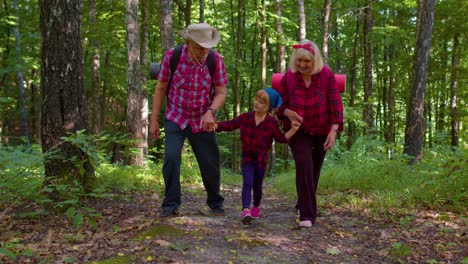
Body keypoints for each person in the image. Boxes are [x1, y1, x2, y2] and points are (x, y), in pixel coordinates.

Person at [149, 23, 228, 218]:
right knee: (171, 159)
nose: (203, 51)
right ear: (188, 43)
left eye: (206, 47)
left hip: (202, 119)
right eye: (199, 47)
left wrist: (211, 111)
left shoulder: (215, 60)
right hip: (176, 116)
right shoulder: (172, 56)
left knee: (210, 162)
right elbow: (160, 89)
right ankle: (170, 205)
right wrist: (154, 119)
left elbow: (221, 92)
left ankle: (215, 202)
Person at [273, 40, 344, 228]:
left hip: (322, 129)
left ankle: (302, 201)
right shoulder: (289, 77)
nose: (302, 65)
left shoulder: (326, 75)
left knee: (314, 170)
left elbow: (335, 103)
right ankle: (307, 214)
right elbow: (280, 104)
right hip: (297, 129)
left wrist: (333, 131)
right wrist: (287, 113)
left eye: (307, 62)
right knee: (304, 165)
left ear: (315, 61)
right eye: (299, 61)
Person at [211, 88, 301, 224]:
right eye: (256, 99)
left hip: (261, 160)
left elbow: (281, 139)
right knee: (247, 183)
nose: (257, 103)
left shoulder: (271, 123)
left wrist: (294, 129)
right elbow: (230, 124)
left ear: (268, 107)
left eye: (261, 102)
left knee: (257, 186)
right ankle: (245, 210)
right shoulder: (245, 117)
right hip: (247, 158)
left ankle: (256, 207)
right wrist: (216, 125)